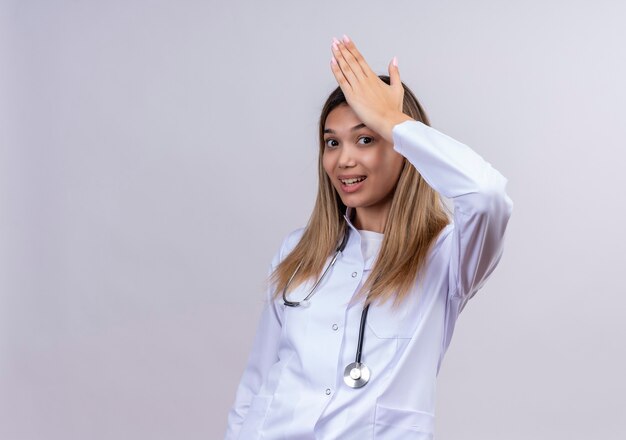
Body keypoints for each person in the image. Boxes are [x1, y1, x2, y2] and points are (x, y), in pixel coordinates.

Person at [224, 35, 513, 439]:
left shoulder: (446, 257)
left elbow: (488, 196)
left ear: (404, 148)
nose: (344, 159)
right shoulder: (297, 251)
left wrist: (393, 122)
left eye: (366, 138)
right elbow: (256, 383)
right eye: (331, 142)